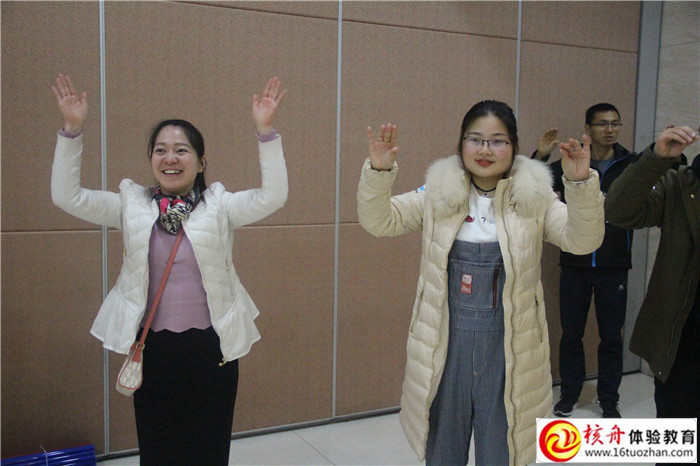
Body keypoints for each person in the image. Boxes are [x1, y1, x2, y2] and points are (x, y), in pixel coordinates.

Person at [50, 73, 288, 465]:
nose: (170, 158)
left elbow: (273, 196)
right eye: (160, 150)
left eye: (181, 150)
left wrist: (266, 133)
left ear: (201, 161)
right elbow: (66, 196)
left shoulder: (220, 206)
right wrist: (72, 130)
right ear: (152, 160)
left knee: (208, 450)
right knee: (158, 451)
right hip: (152, 349)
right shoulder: (132, 205)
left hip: (212, 348)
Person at [356, 101, 604, 465]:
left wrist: (580, 185)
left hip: (511, 350)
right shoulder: (438, 193)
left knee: (503, 448)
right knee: (443, 448)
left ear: (514, 146)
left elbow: (582, 241)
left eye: (497, 141)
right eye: (475, 139)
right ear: (461, 143)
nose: (485, 150)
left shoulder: (534, 197)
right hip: (445, 345)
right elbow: (380, 221)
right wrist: (379, 172)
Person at [534, 103, 636, 418]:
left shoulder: (630, 165)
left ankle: (609, 399)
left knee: (611, 336)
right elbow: (531, 183)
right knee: (571, 334)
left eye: (615, 123)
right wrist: (541, 154)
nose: (610, 129)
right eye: (602, 123)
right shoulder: (572, 161)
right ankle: (569, 394)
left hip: (614, 264)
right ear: (588, 128)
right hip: (575, 263)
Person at [605, 125, 699, 422]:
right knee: (678, 435)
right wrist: (657, 158)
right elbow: (618, 211)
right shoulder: (681, 184)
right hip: (684, 344)